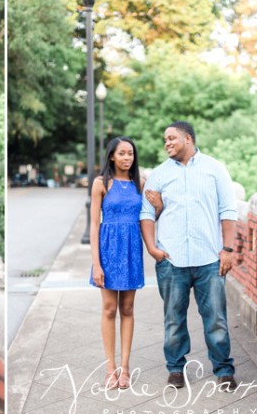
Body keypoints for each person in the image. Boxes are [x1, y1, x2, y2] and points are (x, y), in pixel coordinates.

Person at [140, 120, 238, 392]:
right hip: (172, 261)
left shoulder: (214, 169)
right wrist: (152, 249)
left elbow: (228, 211)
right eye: (165, 139)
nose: (167, 143)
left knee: (216, 318)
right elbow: (146, 214)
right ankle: (175, 369)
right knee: (173, 319)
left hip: (209, 259)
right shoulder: (159, 174)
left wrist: (228, 249)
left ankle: (223, 370)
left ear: (188, 139)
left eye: (171, 138)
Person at [89, 137, 159, 390]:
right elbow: (94, 225)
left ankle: (125, 368)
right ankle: (110, 369)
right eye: (122, 153)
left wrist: (159, 208)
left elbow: (149, 217)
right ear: (112, 156)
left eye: (130, 153)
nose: (127, 157)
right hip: (108, 249)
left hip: (131, 249)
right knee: (109, 308)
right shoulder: (101, 184)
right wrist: (96, 264)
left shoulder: (140, 183)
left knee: (127, 308)